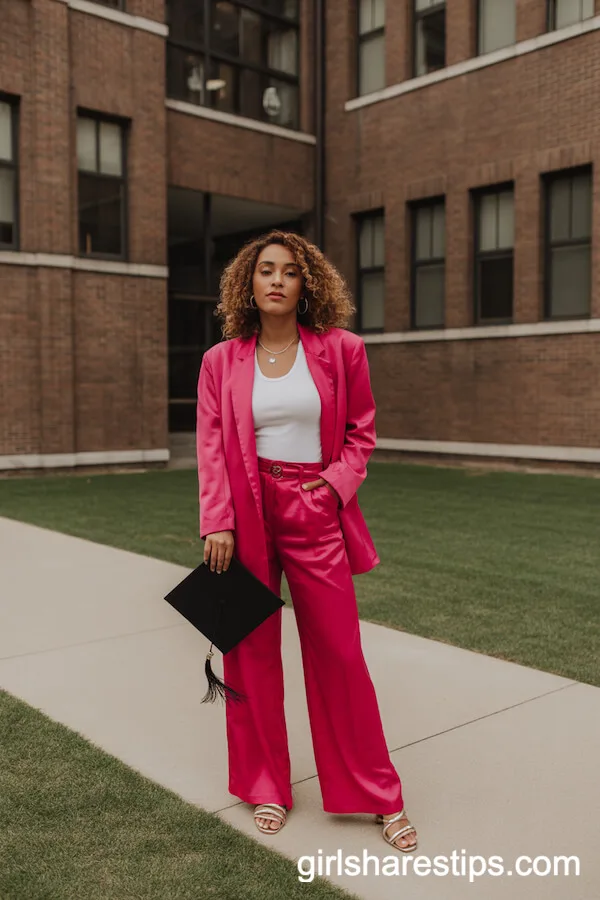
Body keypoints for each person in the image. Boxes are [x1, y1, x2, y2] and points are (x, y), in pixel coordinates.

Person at [196, 230, 418, 852]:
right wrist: (218, 519)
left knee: (340, 655)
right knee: (250, 654)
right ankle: (266, 785)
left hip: (314, 508)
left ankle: (378, 794)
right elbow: (212, 447)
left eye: (289, 272)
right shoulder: (220, 361)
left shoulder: (342, 350)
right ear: (248, 283)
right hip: (246, 512)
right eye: (265, 270)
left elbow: (361, 433)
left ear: (306, 284)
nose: (275, 280)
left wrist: (329, 489)